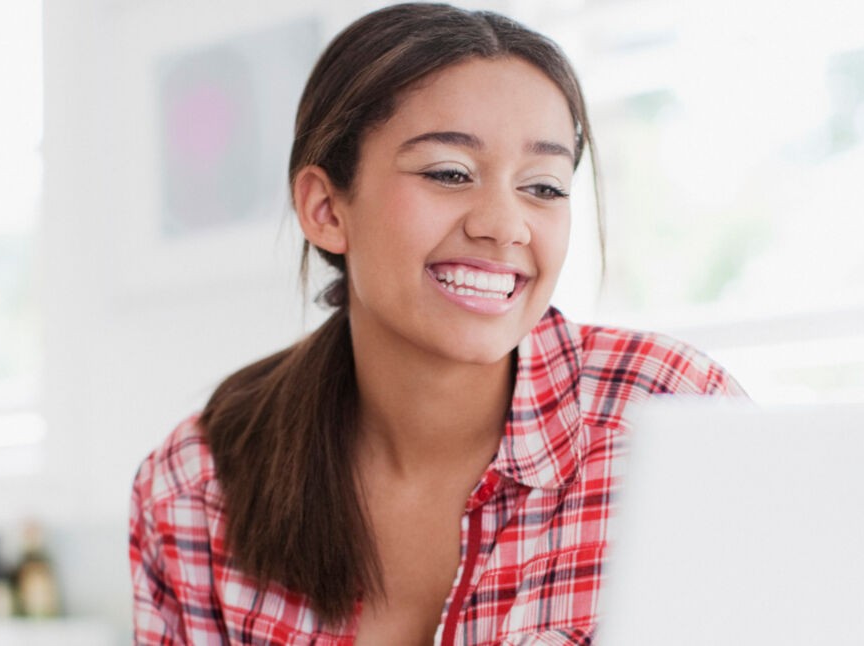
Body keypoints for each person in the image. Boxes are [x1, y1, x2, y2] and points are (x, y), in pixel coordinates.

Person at [129, 4, 744, 645]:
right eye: (450, 173)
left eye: (544, 187)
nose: (505, 225)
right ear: (325, 208)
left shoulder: (668, 415)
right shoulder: (197, 489)